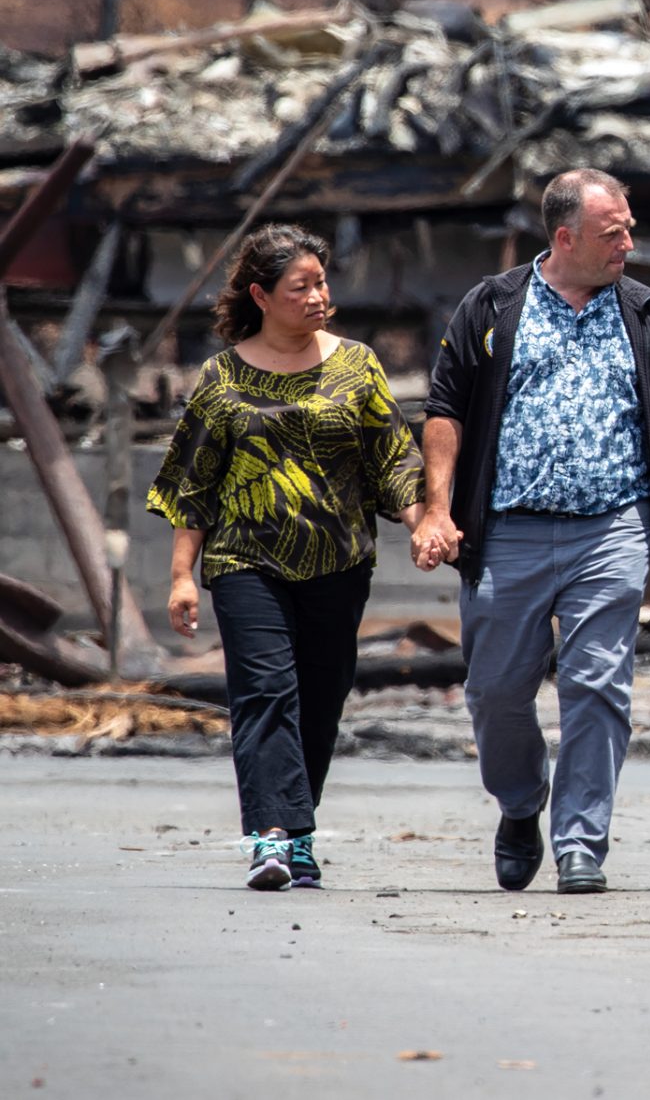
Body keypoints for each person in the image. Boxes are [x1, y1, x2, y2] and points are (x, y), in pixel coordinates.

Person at [412, 168, 650, 895]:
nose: (628, 244)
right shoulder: (491, 305)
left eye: (629, 229)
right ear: (565, 236)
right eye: (614, 234)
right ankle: (521, 802)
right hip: (508, 531)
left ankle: (581, 841)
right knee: (495, 692)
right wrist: (438, 507)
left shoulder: (648, 315)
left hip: (610, 529)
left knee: (598, 685)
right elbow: (445, 409)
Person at [149, 224, 426, 891]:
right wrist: (182, 574)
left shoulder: (357, 365)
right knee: (266, 693)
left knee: (321, 698)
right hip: (246, 560)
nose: (317, 296)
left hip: (339, 562)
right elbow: (194, 482)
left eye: (322, 283)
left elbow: (392, 462)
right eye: (300, 287)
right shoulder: (222, 376)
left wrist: (425, 524)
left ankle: (298, 833)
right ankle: (270, 839)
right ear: (261, 295)